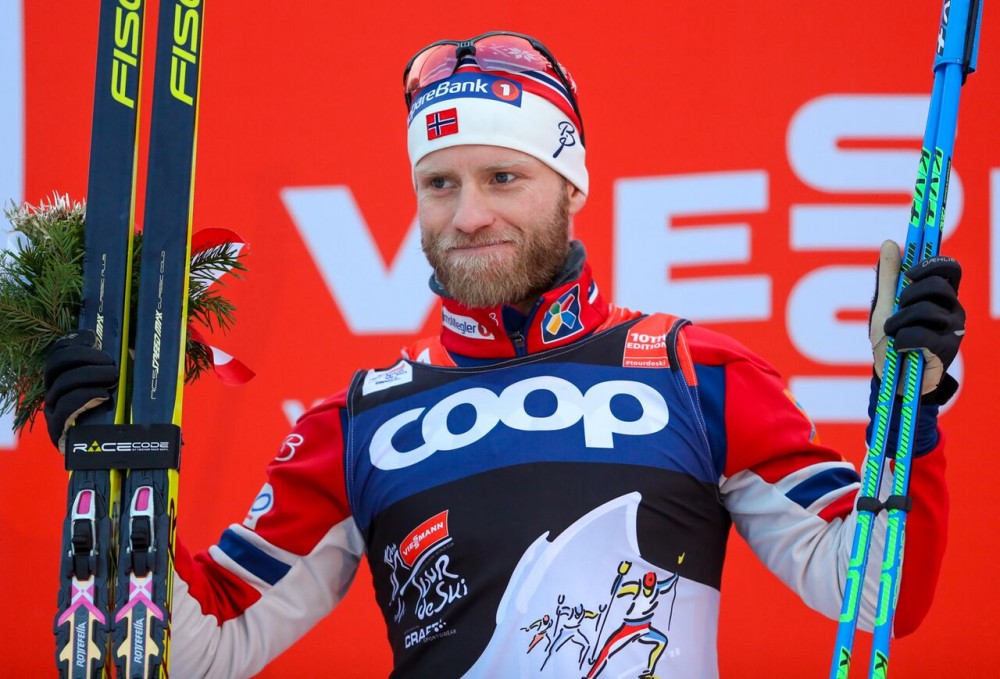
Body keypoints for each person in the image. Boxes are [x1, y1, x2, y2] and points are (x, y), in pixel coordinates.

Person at [44, 31, 965, 678]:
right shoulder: (362, 420)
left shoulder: (695, 373)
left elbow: (876, 595)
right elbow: (201, 652)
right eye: (437, 184)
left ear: (569, 184)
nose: (468, 214)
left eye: (502, 178)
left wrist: (909, 415)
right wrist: (120, 471)